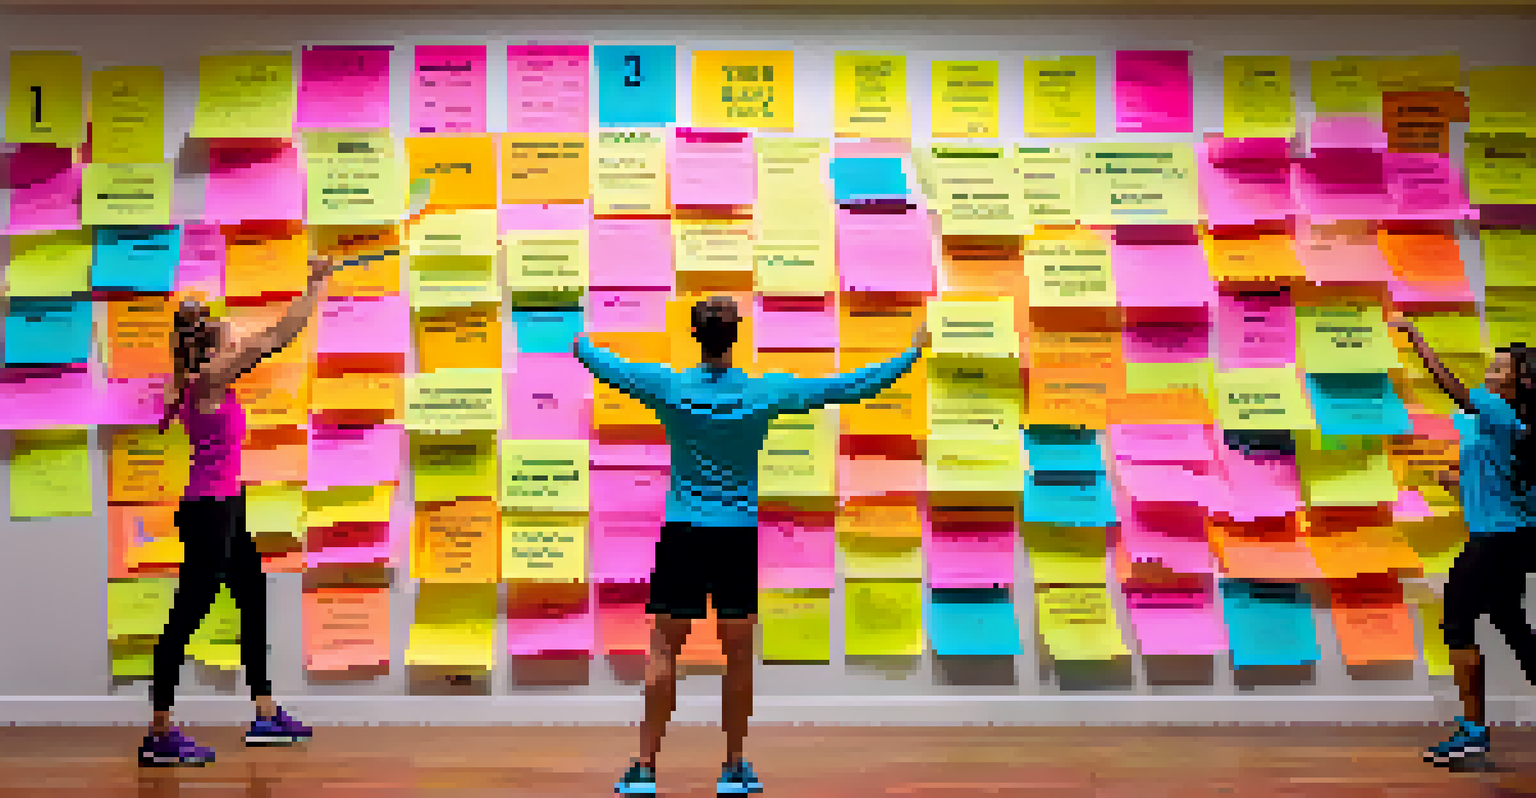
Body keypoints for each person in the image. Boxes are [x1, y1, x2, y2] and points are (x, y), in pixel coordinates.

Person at [573, 296, 931, 795]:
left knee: (662, 651)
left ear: (696, 335)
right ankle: (734, 768)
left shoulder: (668, 386)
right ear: (735, 335)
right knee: (738, 657)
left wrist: (579, 342)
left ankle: (643, 769)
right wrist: (910, 354)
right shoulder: (766, 392)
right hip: (736, 536)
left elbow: (609, 368)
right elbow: (848, 386)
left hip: (685, 535)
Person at [138, 256, 341, 766]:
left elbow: (244, 335)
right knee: (187, 614)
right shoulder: (209, 378)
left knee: (252, 597)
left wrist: (210, 324)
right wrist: (314, 283)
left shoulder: (193, 378)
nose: (231, 333)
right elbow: (277, 337)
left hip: (226, 502)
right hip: (209, 510)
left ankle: (265, 713)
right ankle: (159, 733)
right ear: (209, 344)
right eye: (221, 330)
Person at [1392, 317, 1536, 767]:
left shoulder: (1495, 411)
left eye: (1499, 372)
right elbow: (1500, 486)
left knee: (1455, 619)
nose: (1489, 377)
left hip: (1495, 541)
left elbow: (1449, 385)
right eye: (1490, 370)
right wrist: (1452, 481)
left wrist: (1416, 340)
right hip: (1511, 538)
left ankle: (1473, 732)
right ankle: (1473, 730)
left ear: (1521, 383)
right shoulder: (1508, 426)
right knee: (1513, 627)